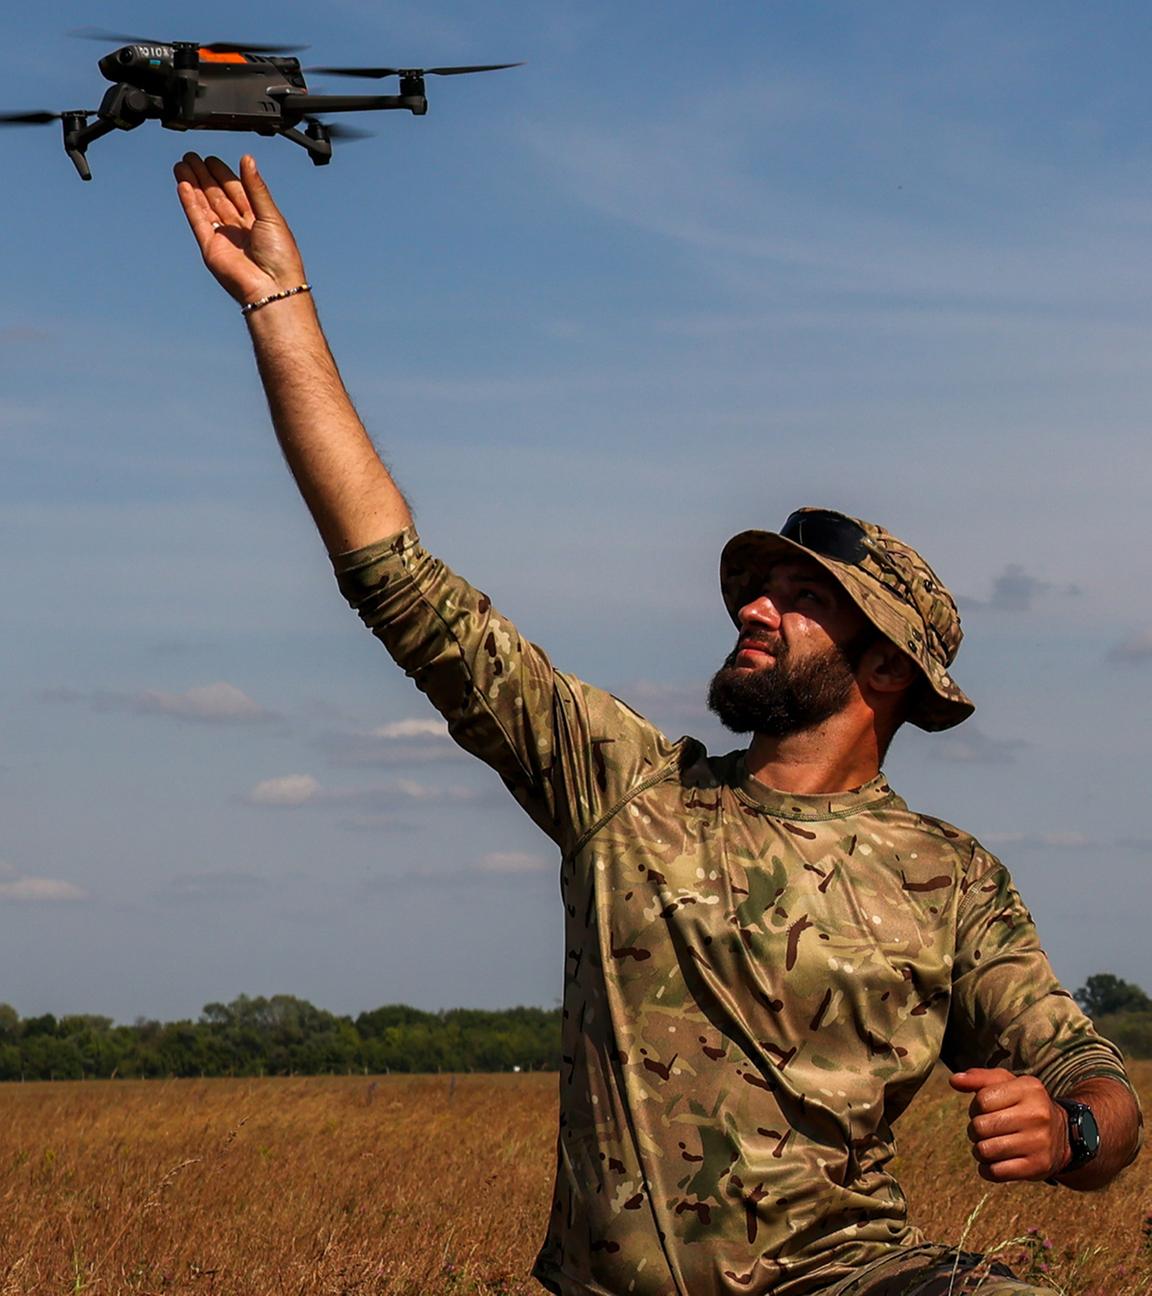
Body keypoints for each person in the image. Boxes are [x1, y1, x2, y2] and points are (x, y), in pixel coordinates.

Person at [173, 152, 1142, 1296]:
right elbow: (398, 580)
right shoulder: (629, 792)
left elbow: (1102, 1089)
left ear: (886, 667)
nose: (752, 606)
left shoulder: (950, 879)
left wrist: (1071, 1135)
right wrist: (278, 305)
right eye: (755, 587)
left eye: (802, 599)